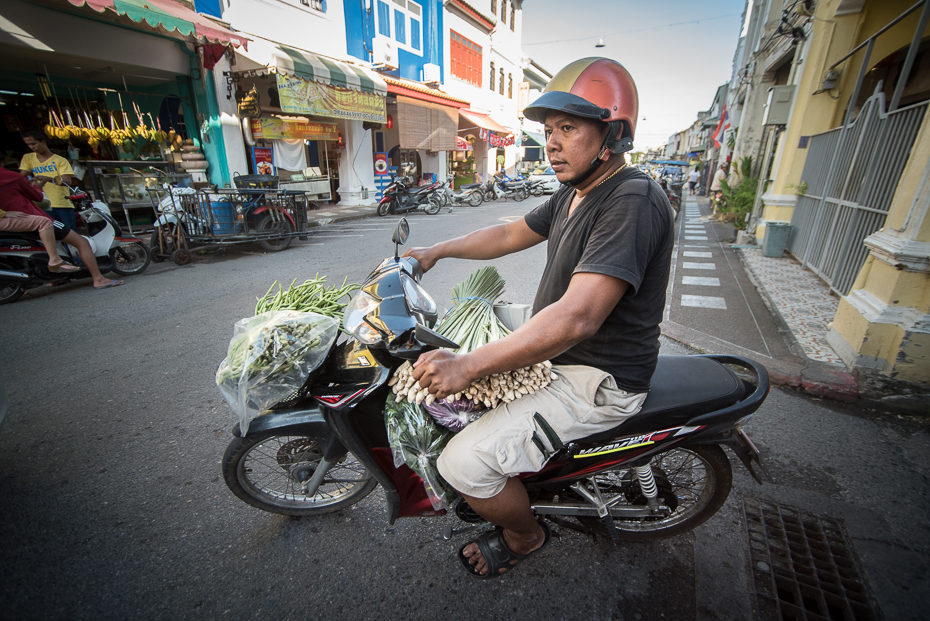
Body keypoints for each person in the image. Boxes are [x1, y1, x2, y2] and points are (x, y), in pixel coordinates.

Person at [404, 57, 674, 578]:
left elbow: (576, 319)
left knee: (461, 463)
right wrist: (436, 250)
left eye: (568, 129)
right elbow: (509, 234)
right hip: (563, 354)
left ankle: (525, 534)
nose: (550, 143)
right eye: (549, 131)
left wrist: (470, 365)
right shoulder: (576, 193)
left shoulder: (631, 199)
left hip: (594, 375)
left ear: (612, 134)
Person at [0, 167, 123, 289]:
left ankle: (57, 278)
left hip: (16, 221)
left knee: (55, 242)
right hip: (31, 216)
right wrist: (38, 185)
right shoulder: (14, 177)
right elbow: (37, 197)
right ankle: (99, 279)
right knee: (82, 242)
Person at [19, 130, 77, 229]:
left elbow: (67, 181)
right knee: (52, 233)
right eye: (28, 145)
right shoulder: (28, 158)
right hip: (43, 203)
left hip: (61, 203)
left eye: (34, 143)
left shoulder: (60, 160)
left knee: (70, 233)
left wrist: (48, 179)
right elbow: (21, 177)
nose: (32, 147)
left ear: (43, 142)